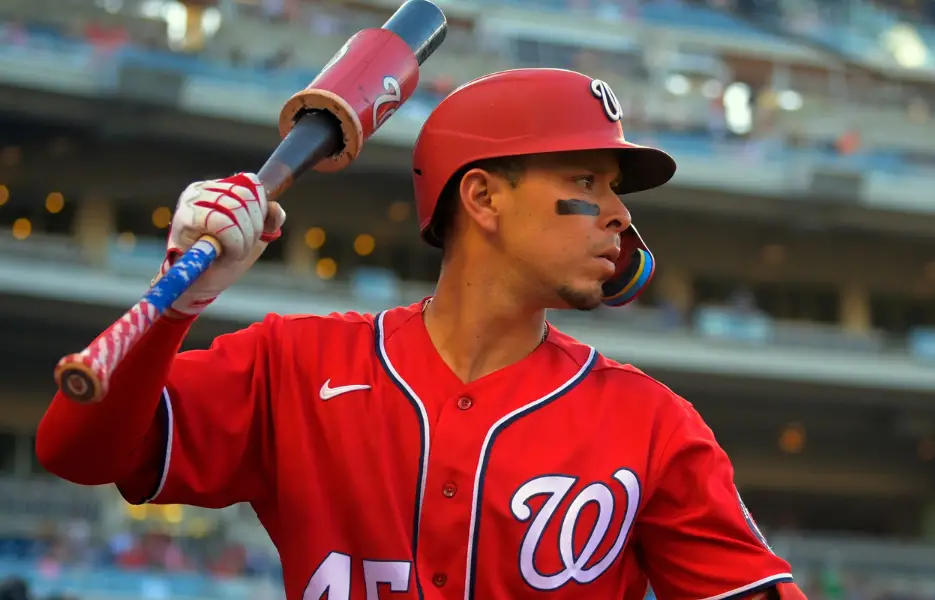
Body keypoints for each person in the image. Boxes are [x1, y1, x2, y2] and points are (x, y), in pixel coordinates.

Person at [36, 68, 803, 600]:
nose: (620, 214)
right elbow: (76, 451)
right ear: (482, 198)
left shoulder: (654, 427)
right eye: (585, 183)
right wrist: (177, 308)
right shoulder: (297, 363)